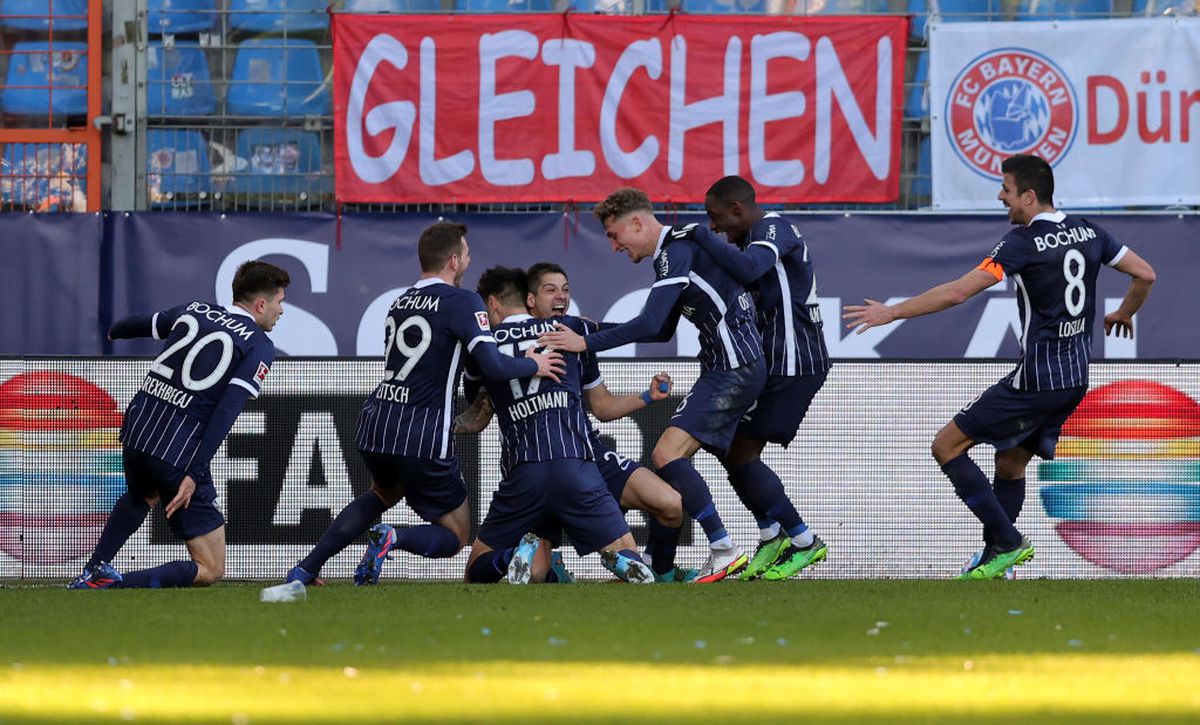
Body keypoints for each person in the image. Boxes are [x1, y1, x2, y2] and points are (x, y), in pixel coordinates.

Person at [843, 154, 1156, 580]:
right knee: (1010, 465)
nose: (1000, 196)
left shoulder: (1020, 243)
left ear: (1029, 196)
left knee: (946, 446)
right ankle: (998, 562)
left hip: (1036, 379)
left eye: (1006, 190)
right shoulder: (1089, 231)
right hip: (1074, 379)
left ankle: (1007, 543)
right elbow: (1145, 274)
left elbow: (957, 293)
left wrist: (892, 313)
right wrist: (1124, 313)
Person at [284, 222, 564, 586]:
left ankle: (305, 568)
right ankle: (393, 537)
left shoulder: (399, 302)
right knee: (455, 534)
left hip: (378, 421)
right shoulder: (463, 301)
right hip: (422, 432)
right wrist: (532, 363)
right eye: (465, 253)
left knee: (381, 493)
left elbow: (447, 356)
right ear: (452, 260)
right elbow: (493, 366)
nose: (469, 258)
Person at [539, 187, 766, 583]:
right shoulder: (672, 255)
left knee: (665, 454)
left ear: (638, 223)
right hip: (729, 365)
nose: (614, 247)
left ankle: (724, 547)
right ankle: (765, 534)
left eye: (614, 235)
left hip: (734, 364)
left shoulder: (673, 251)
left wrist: (586, 341)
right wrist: (594, 328)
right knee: (680, 456)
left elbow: (646, 323)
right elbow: (661, 330)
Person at [459, 262, 693, 582]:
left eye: (566, 290)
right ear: (528, 299)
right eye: (551, 290)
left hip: (524, 467)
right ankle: (628, 562)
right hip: (576, 463)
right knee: (625, 549)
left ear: (493, 303)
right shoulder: (572, 331)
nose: (561, 297)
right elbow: (635, 330)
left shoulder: (484, 347)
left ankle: (511, 559)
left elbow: (476, 411)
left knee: (478, 571)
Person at [69, 260, 290, 589]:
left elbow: (138, 324)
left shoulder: (195, 310)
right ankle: (111, 584)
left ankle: (94, 568)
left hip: (138, 428)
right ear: (260, 304)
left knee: (142, 494)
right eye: (280, 302)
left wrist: (115, 330)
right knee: (211, 567)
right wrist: (195, 471)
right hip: (177, 447)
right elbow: (226, 410)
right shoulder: (258, 345)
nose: (281, 311)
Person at [695, 175, 831, 581]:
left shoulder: (773, 228)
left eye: (717, 218)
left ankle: (803, 540)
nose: (715, 227)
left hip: (795, 362)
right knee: (726, 446)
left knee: (738, 451)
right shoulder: (746, 243)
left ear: (738, 208)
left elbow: (751, 266)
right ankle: (773, 532)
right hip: (772, 363)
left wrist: (700, 239)